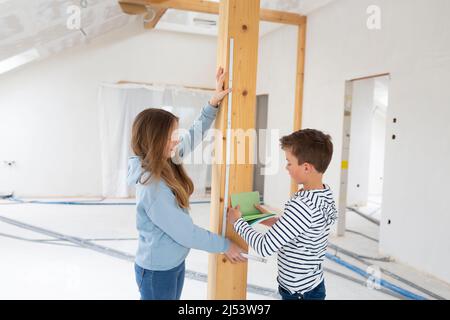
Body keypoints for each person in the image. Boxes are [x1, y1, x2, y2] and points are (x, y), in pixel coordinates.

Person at [128, 68, 246, 300]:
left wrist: (213, 102)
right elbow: (186, 233)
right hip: (157, 272)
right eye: (172, 134)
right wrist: (225, 245)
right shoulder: (153, 187)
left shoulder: (165, 159)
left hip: (172, 263)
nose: (177, 138)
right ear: (155, 139)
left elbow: (193, 134)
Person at [227, 129, 338, 300]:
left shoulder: (302, 205)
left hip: (299, 293)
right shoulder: (325, 194)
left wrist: (237, 222)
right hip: (313, 284)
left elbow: (265, 247)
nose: (286, 167)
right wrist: (267, 218)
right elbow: (301, 228)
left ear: (306, 167)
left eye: (289, 162)